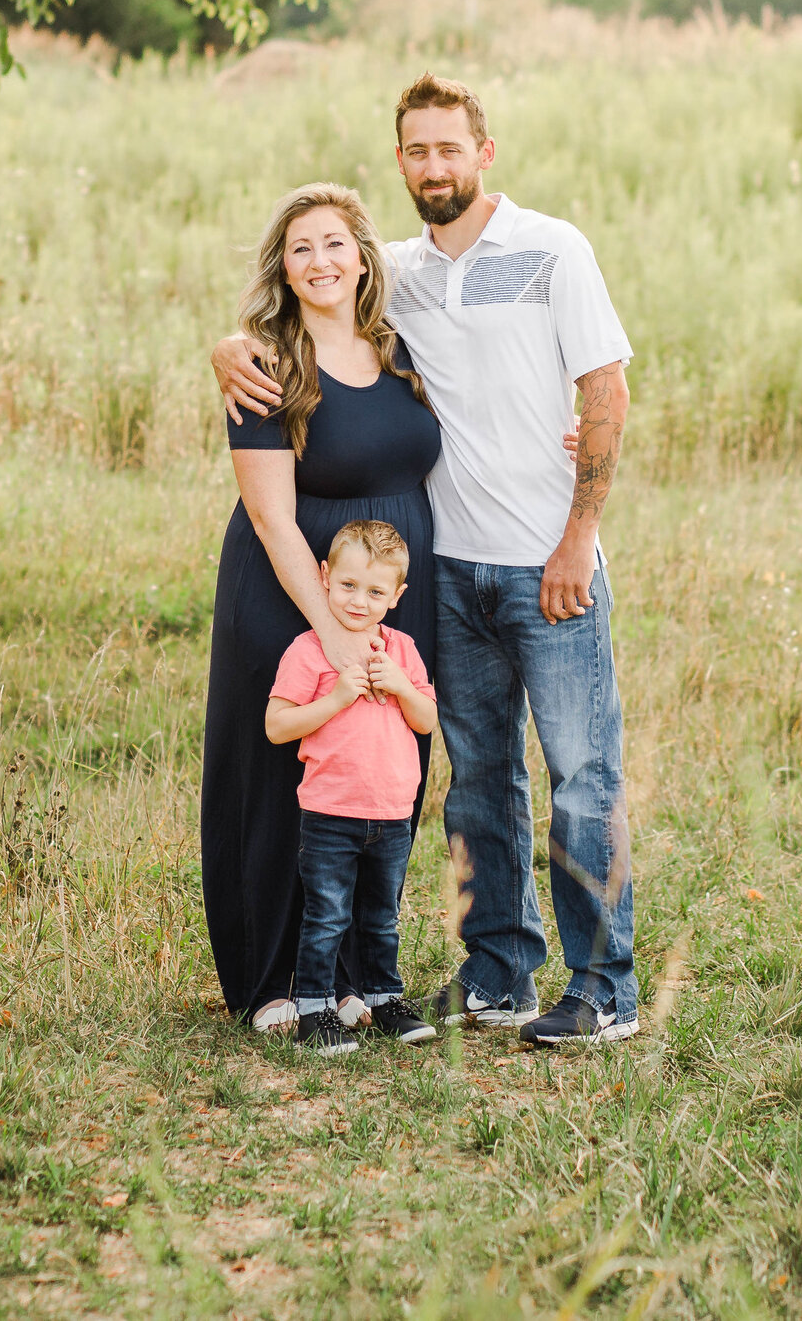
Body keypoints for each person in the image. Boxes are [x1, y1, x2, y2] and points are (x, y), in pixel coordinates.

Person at [215, 75, 638, 1048]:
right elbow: (310, 295)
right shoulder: (396, 270)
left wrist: (579, 534)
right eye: (416, 150)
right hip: (449, 572)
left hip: (549, 564)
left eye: (451, 147)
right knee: (479, 781)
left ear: (483, 152)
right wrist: (225, 345)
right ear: (400, 159)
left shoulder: (551, 248)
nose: (434, 165)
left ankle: (605, 987)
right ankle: (497, 973)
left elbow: (606, 388)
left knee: (581, 774)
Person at [202, 183, 442, 1036]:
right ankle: (270, 977)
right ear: (284, 266)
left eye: (335, 242)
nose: (321, 261)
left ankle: (349, 972)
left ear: (363, 255)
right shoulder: (266, 364)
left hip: (391, 594)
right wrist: (336, 628)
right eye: (301, 247)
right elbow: (270, 513)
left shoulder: (402, 346)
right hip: (293, 590)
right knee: (283, 774)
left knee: (377, 768)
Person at [264, 520, 443, 1056]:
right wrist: (337, 697)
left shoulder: (403, 652)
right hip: (330, 811)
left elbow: (428, 720)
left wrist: (400, 688)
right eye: (347, 585)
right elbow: (277, 726)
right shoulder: (309, 651)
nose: (358, 601)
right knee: (327, 914)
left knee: (382, 913)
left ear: (397, 595)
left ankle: (385, 998)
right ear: (324, 577)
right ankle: (316, 1009)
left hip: (392, 813)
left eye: (374, 591)